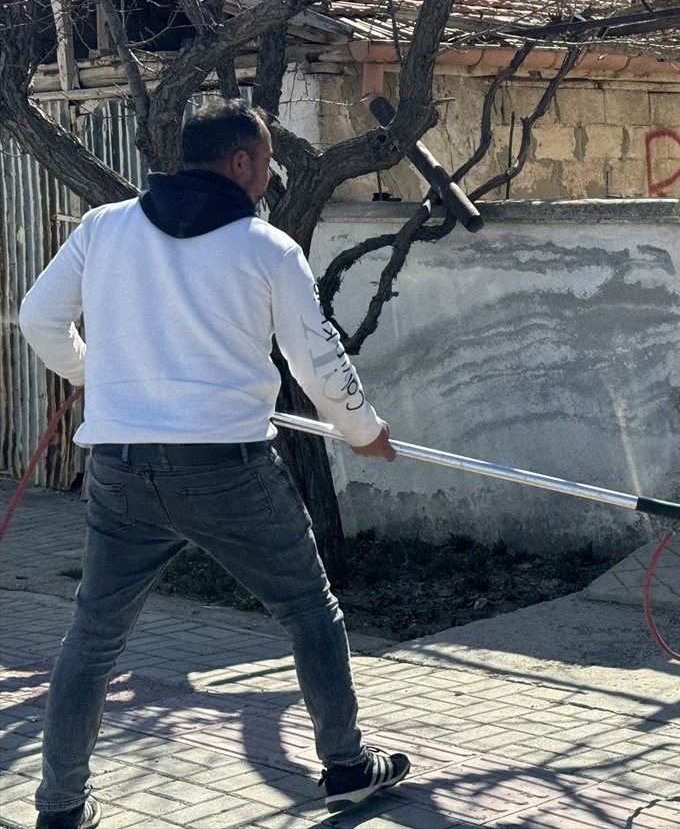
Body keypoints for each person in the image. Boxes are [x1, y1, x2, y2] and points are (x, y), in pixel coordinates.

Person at [19, 98, 409, 829]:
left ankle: (59, 807)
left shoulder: (104, 228)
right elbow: (319, 362)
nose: (271, 174)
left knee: (94, 637)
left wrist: (92, 375)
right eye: (265, 160)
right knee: (309, 611)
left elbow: (38, 318)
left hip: (122, 471)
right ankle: (348, 765)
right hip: (228, 470)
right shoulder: (266, 248)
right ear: (240, 163)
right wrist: (363, 431)